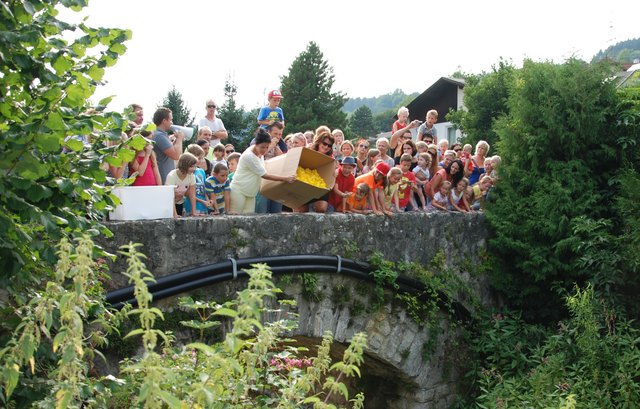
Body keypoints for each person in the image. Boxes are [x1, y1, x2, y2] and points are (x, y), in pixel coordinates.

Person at [229, 128, 295, 214]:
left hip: (251, 194)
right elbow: (265, 175)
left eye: (267, 147)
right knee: (235, 218)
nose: (265, 150)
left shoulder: (259, 152)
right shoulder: (249, 156)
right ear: (256, 144)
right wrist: (286, 178)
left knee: (249, 220)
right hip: (238, 191)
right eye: (262, 147)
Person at [295, 126, 335, 213]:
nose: (326, 147)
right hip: (304, 186)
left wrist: (335, 172)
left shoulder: (331, 159)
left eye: (329, 145)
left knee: (321, 208)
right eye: (324, 143)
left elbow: (333, 175)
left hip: (321, 188)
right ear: (319, 142)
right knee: (300, 211)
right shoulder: (308, 151)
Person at [255, 121, 287, 214]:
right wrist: (270, 146)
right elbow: (255, 156)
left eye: (280, 134)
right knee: (262, 212)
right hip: (262, 183)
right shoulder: (258, 141)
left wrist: (281, 156)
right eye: (275, 133)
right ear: (269, 132)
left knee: (276, 213)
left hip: (277, 182)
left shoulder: (282, 144)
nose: (278, 136)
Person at [152, 107, 184, 184]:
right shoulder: (159, 136)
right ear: (164, 121)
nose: (171, 122)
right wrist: (179, 139)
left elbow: (171, 150)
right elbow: (176, 155)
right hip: (164, 177)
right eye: (170, 120)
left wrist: (176, 140)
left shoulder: (159, 134)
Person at [165, 152, 198, 218]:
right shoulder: (172, 176)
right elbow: (169, 197)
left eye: (195, 166)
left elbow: (192, 195)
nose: (194, 169)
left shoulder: (191, 176)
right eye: (191, 166)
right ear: (184, 165)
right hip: (169, 204)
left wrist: (194, 212)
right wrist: (175, 214)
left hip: (180, 203)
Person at [184, 144, 213, 216]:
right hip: (191, 207)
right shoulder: (188, 173)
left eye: (202, 158)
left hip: (203, 207)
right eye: (199, 158)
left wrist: (207, 200)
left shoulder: (201, 171)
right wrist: (202, 201)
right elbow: (187, 193)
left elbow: (204, 189)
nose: (201, 160)